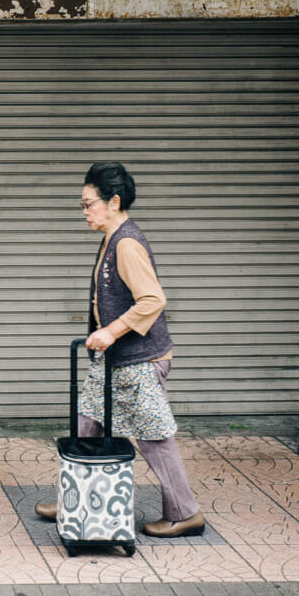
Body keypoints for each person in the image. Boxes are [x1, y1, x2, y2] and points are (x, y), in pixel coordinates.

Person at [34, 161, 206, 538]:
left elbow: (152, 300)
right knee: (87, 425)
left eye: (88, 204)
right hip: (113, 360)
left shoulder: (126, 243)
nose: (84, 211)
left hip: (139, 360)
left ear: (113, 202)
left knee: (154, 438)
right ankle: (74, 500)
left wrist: (110, 332)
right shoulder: (112, 238)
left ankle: (185, 512)